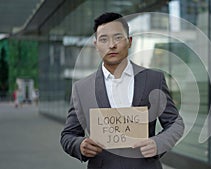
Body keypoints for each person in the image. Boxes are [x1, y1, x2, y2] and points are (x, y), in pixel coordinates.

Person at [60, 12, 184, 169]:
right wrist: (79, 145)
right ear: (96, 44)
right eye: (104, 39)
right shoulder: (82, 88)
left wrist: (158, 143)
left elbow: (175, 123)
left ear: (129, 41)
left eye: (118, 37)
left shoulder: (154, 80)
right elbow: (67, 135)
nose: (111, 45)